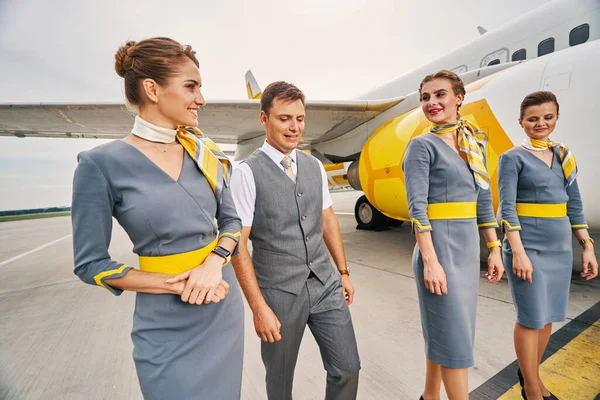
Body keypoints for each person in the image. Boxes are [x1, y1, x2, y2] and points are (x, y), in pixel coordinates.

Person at [71, 37, 244, 400]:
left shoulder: (203, 150)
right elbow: (90, 264)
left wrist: (215, 263)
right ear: (152, 89)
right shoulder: (99, 164)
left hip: (220, 304)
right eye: (191, 86)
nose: (202, 98)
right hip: (164, 319)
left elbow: (231, 221)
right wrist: (175, 285)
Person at [230, 81, 361, 400]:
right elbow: (238, 245)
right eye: (284, 118)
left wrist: (343, 272)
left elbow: (328, 218)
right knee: (280, 380)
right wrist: (258, 307)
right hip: (279, 292)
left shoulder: (313, 166)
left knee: (348, 368)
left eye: (300, 119)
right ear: (264, 119)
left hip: (325, 283)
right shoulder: (247, 174)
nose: (294, 127)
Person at [402, 70, 504, 400]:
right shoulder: (421, 146)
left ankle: (430, 396)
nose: (432, 102)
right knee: (455, 340)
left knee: (448, 333)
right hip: (438, 250)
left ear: (459, 97)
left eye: (440, 94)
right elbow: (417, 210)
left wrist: (494, 248)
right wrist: (430, 262)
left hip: (465, 249)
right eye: (425, 98)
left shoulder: (473, 142)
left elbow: (484, 200)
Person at [498, 91, 598, 400]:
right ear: (522, 122)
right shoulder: (512, 157)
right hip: (527, 246)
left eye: (547, 117)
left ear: (556, 118)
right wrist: (518, 252)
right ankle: (532, 389)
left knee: (548, 317)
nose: (541, 123)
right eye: (533, 119)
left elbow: (575, 204)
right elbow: (507, 208)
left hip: (559, 246)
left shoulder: (564, 156)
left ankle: (532, 375)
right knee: (531, 317)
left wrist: (587, 246)